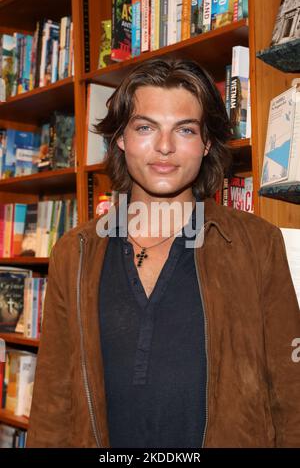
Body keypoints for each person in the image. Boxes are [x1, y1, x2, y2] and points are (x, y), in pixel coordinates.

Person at [26, 58, 300, 448]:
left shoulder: (257, 244)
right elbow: (54, 397)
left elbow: (291, 389)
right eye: (145, 127)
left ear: (206, 143)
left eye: (185, 130)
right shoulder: (76, 251)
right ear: (120, 138)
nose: (165, 147)